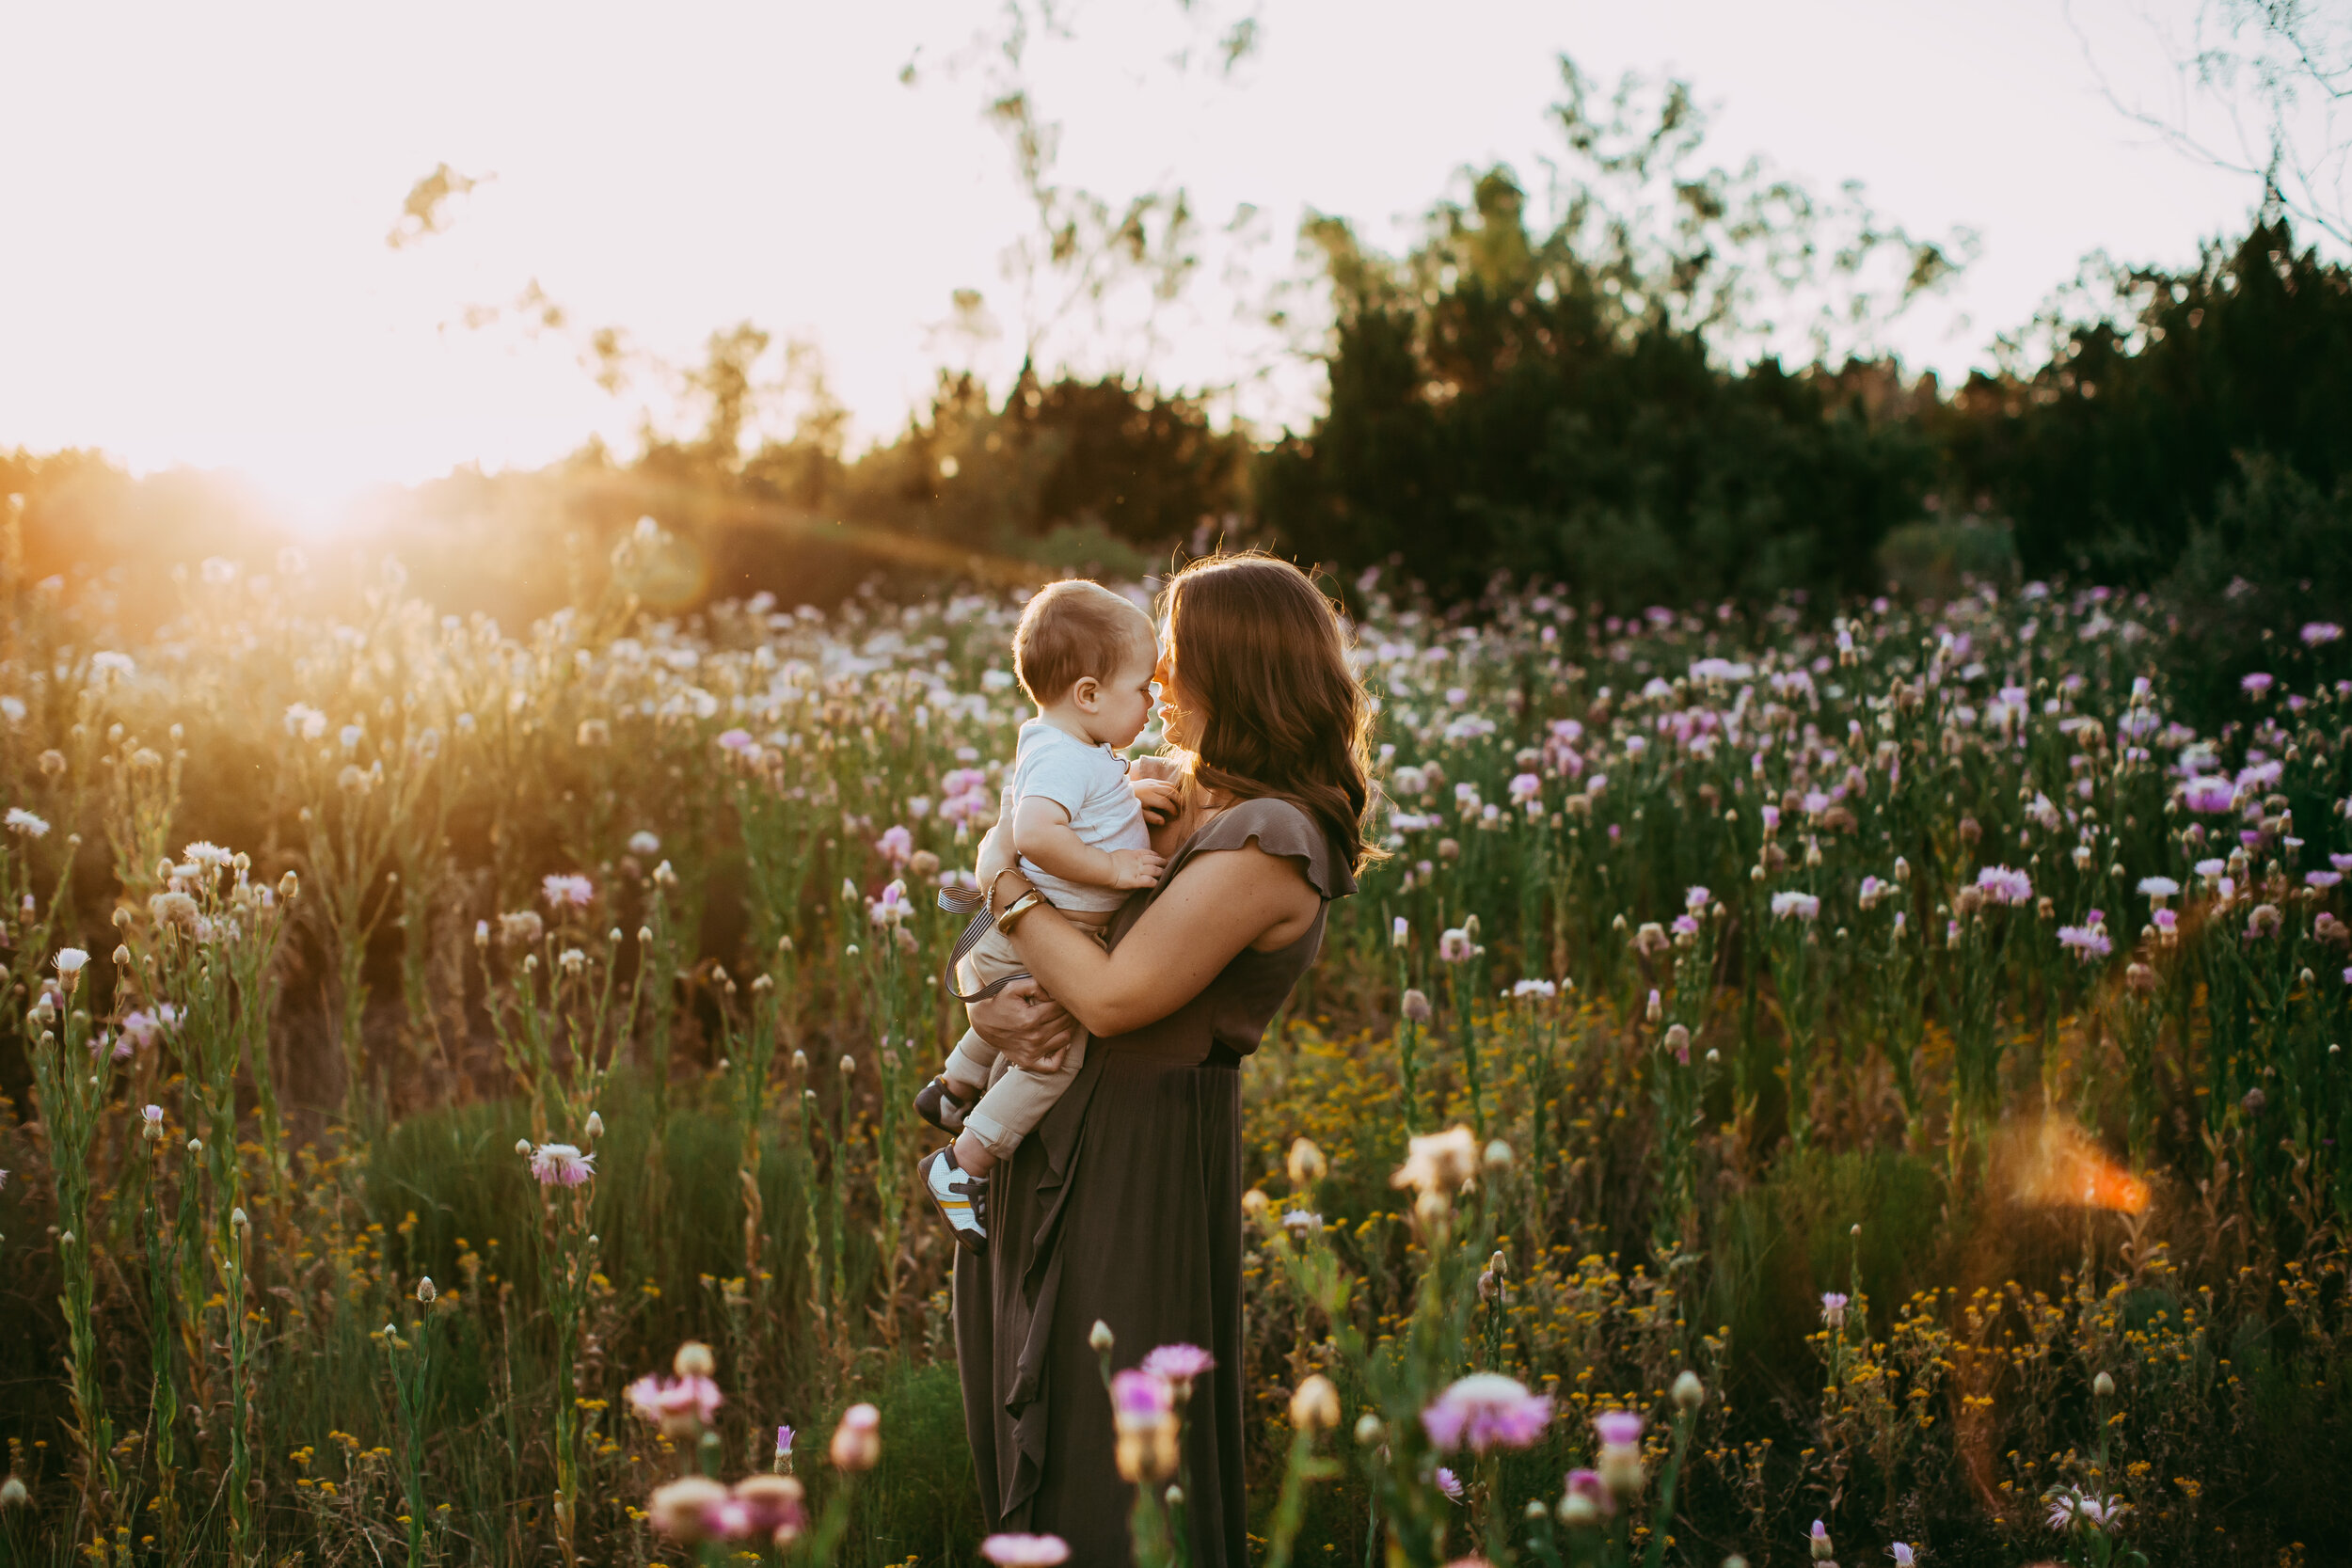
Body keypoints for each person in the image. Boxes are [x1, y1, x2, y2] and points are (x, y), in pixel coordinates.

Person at [951, 551, 1372, 1566]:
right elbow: (1022, 946)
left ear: (1240, 672)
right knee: (1053, 1412)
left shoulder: (1272, 841)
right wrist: (982, 989)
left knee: (1115, 1451)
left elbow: (1105, 992)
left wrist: (1003, 878)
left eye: (1177, 654)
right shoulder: (1188, 796)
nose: (1162, 679)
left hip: (1137, 1162)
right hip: (1059, 1125)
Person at [915, 579, 1167, 1252]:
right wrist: (1115, 868)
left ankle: (955, 1085)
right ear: (1088, 694)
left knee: (1025, 1018)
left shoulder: (1073, 748)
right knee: (1054, 1053)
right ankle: (962, 1163)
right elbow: (1034, 834)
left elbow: (1084, 804)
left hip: (1026, 935)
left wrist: (1128, 797)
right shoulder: (1059, 752)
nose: (1154, 700)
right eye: (1143, 687)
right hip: (1039, 934)